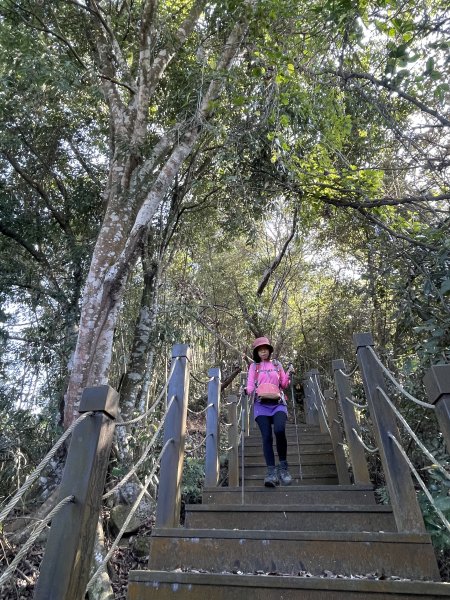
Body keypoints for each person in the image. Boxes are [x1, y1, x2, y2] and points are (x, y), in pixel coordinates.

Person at [245, 336, 294, 487]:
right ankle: (271, 473)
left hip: (278, 403)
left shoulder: (277, 364)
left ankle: (283, 468)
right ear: (256, 352)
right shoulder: (254, 367)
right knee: (266, 436)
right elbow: (250, 385)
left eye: (265, 348)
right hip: (261, 405)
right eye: (260, 349)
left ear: (269, 350)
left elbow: (284, 384)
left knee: (279, 430)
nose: (263, 351)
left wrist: (290, 373)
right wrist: (246, 390)